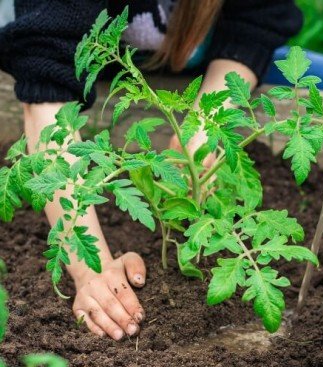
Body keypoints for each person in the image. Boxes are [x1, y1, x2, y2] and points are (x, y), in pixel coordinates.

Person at [0, 0, 303, 340]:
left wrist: (207, 119)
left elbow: (254, 23)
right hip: (63, 58)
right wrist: (90, 269)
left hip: (197, 61)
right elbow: (46, 95)